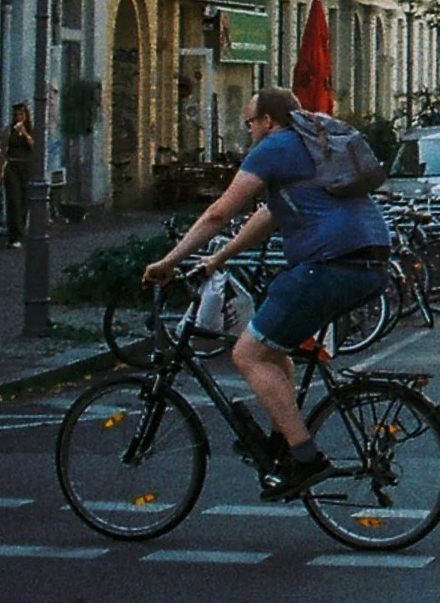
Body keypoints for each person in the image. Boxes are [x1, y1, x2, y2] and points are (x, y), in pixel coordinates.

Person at [142, 86, 390, 499]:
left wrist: (168, 261)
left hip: (329, 263)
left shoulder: (275, 147)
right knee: (274, 349)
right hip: (370, 258)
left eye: (250, 122)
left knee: (247, 353)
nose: (249, 129)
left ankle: (305, 457)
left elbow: (220, 212)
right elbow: (269, 214)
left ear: (268, 122)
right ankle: (283, 443)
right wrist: (217, 259)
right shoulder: (313, 144)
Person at [0, 104, 33, 246]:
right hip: (12, 166)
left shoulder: (30, 130)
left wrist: (24, 133)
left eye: (21, 115)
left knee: (24, 200)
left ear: (26, 116)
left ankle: (21, 231)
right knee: (13, 200)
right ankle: (14, 235)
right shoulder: (8, 130)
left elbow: (34, 146)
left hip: (26, 166)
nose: (18, 118)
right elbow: (2, 148)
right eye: (16, 115)